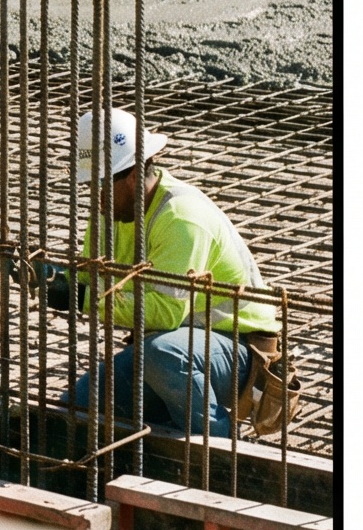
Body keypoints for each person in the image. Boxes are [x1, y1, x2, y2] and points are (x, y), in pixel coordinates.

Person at [38, 112, 294, 441]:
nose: (93, 196)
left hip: (237, 350)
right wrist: (51, 279)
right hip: (165, 349)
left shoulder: (182, 217)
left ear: (130, 176)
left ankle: (220, 451)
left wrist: (77, 296)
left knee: (163, 355)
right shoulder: (109, 212)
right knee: (82, 402)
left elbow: (166, 312)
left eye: (101, 185)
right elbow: (91, 281)